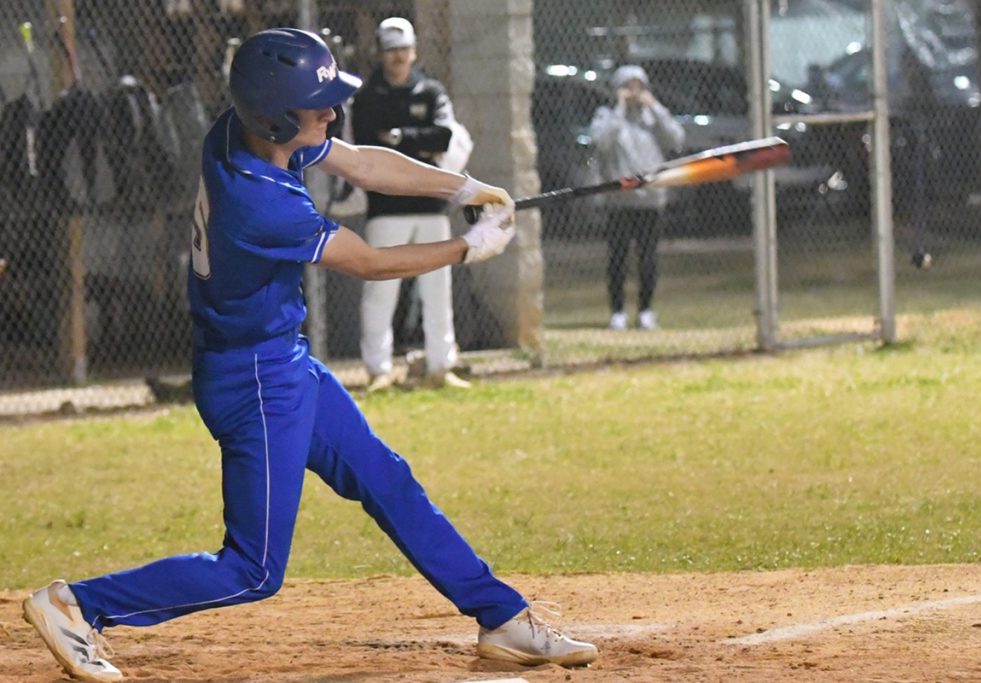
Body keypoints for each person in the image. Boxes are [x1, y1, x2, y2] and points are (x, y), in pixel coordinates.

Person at [21, 29, 597, 683]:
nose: (330, 112)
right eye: (316, 104)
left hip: (279, 362)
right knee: (253, 570)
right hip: (255, 380)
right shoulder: (261, 202)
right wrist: (469, 248)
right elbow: (371, 261)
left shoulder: (240, 131)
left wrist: (464, 188)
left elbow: (364, 164)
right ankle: (78, 605)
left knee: (386, 478)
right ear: (275, 114)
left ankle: (502, 617)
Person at [352, 17, 470, 391]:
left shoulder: (431, 91)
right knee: (380, 290)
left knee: (437, 289)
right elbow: (369, 145)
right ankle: (378, 369)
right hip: (386, 207)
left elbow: (444, 136)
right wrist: (418, 144)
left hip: (430, 205)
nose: (398, 57)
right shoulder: (367, 96)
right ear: (380, 54)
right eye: (391, 51)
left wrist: (399, 137)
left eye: (403, 50)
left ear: (414, 51)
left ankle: (440, 365)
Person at [590, 64, 685, 331]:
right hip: (619, 200)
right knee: (618, 257)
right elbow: (601, 142)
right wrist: (620, 109)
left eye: (638, 86)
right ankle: (617, 311)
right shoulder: (607, 116)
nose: (633, 92)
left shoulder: (652, 118)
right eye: (627, 86)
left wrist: (655, 107)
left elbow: (677, 139)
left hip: (650, 200)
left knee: (648, 257)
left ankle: (645, 311)